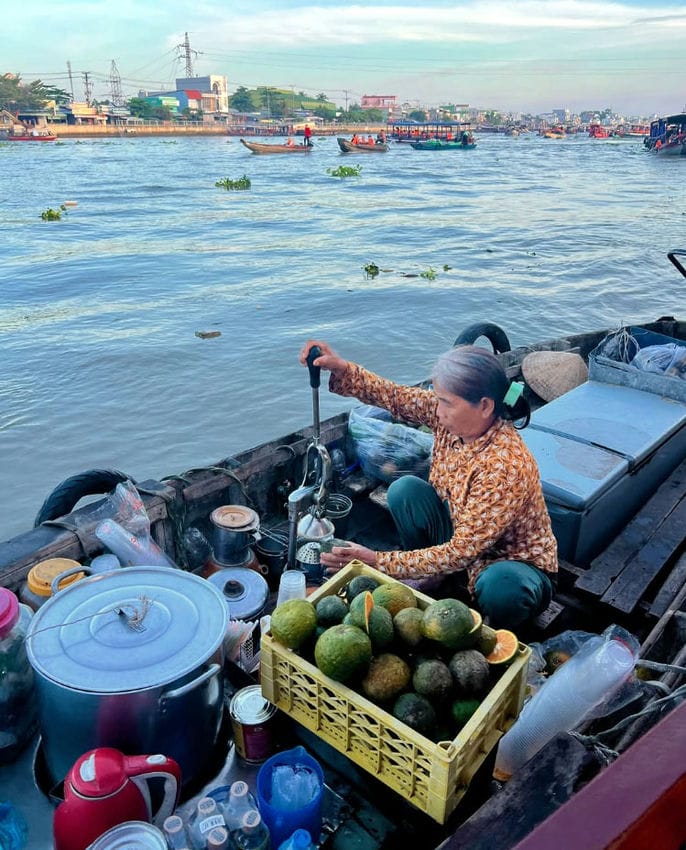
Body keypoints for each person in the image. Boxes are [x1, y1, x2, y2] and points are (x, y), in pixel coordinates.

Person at [299, 340, 558, 631]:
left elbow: (463, 552)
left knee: (502, 588)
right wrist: (343, 368)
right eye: (438, 399)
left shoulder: (504, 465)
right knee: (405, 490)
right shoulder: (450, 417)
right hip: (461, 537)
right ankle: (433, 575)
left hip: (507, 564)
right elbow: (395, 396)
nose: (439, 410)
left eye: (447, 402)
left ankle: (498, 627)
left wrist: (376, 560)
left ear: (484, 406)